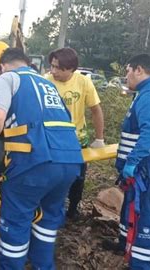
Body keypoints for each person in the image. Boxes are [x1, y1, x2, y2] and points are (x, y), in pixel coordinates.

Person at [0, 48, 83, 269]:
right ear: (29, 63)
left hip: (33, 163)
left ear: (2, 66)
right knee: (47, 221)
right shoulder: (48, 84)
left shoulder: (7, 78)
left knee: (15, 222)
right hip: (70, 161)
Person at [103, 54, 150, 269]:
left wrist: (133, 161)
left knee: (145, 213)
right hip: (149, 167)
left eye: (128, 70)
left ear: (139, 70)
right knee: (131, 206)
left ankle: (142, 263)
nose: (126, 75)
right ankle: (126, 244)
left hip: (149, 169)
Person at [46, 47, 105, 219]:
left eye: (58, 68)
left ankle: (73, 208)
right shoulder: (46, 82)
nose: (53, 71)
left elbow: (96, 109)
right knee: (54, 176)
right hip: (54, 139)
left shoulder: (83, 82)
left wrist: (99, 138)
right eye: (52, 66)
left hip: (77, 139)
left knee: (78, 177)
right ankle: (51, 209)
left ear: (71, 69)